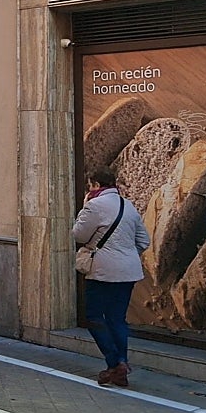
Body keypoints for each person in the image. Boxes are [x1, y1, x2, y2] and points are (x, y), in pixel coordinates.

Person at [72, 166, 149, 387]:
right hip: (129, 272)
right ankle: (121, 364)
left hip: (102, 271)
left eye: (90, 185)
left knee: (94, 316)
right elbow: (144, 241)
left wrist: (85, 207)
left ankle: (114, 363)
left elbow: (78, 235)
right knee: (117, 318)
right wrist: (126, 255)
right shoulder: (128, 205)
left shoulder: (94, 205)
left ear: (96, 184)